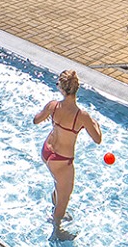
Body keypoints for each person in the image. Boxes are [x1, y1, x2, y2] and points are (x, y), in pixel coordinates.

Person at [34, 69, 103, 234]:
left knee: (58, 184)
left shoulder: (53, 106)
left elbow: (36, 120)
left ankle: (55, 209)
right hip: (61, 160)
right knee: (64, 197)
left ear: (61, 87)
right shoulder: (82, 116)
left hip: (47, 151)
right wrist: (95, 123)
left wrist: (49, 114)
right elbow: (97, 139)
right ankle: (57, 231)